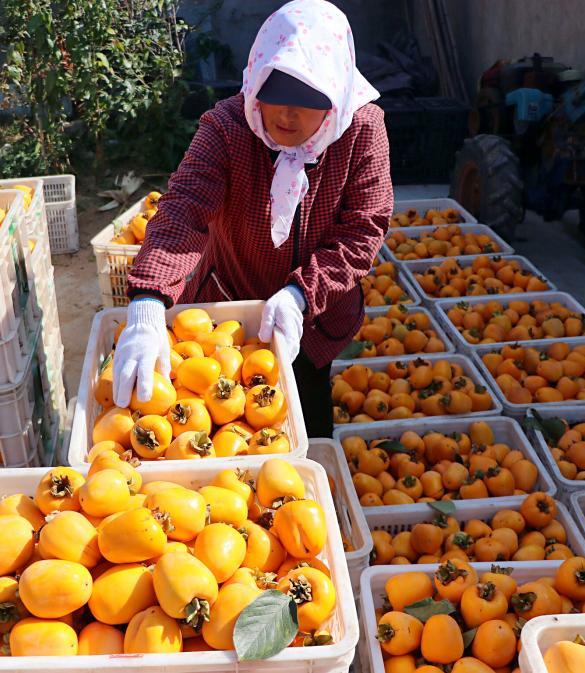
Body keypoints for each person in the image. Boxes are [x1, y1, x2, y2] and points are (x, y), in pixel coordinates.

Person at [111, 0, 392, 438]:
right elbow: (184, 208)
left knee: (307, 423)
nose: (286, 115)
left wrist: (302, 294)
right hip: (229, 314)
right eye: (274, 96)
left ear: (336, 94)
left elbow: (363, 228)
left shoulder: (361, 130)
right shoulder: (229, 127)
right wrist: (148, 300)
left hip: (315, 319)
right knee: (225, 432)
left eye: (307, 101)